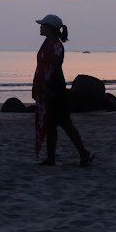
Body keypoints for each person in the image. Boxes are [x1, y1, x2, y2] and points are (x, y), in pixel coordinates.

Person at [32, 14, 95, 167]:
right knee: (51, 124)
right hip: (49, 87)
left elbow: (52, 70)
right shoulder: (49, 43)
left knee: (65, 122)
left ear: (50, 28)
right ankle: (51, 158)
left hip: (54, 88)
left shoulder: (55, 45)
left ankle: (83, 153)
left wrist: (49, 90)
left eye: (43, 25)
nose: (40, 27)